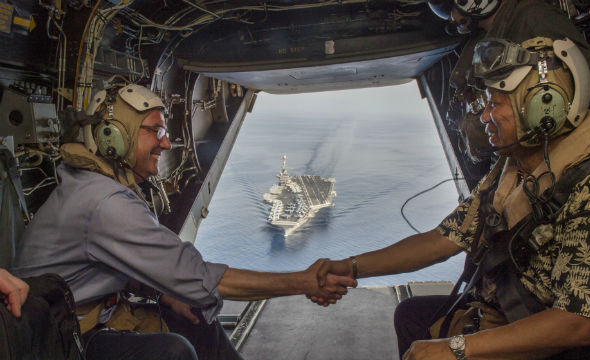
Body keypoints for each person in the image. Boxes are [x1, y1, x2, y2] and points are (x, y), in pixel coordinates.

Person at [312, 36, 590, 359]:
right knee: (411, 317)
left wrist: (458, 349)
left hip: (561, 343)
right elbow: (442, 240)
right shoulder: (511, 171)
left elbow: (581, 325)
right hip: (503, 314)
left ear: (544, 107)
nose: (484, 117)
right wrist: (349, 266)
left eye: (495, 104)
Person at [11, 83, 356, 360]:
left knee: (196, 317)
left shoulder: (99, 188)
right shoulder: (104, 202)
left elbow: (113, 267)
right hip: (54, 341)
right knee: (174, 352)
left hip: (78, 321)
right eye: (155, 131)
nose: (166, 142)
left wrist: (165, 294)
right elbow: (201, 278)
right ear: (114, 137)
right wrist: (306, 281)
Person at [427, 0, 590, 159]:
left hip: (555, 136)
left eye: (449, 8)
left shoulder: (533, 17)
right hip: (527, 148)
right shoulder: (480, 44)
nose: (450, 19)